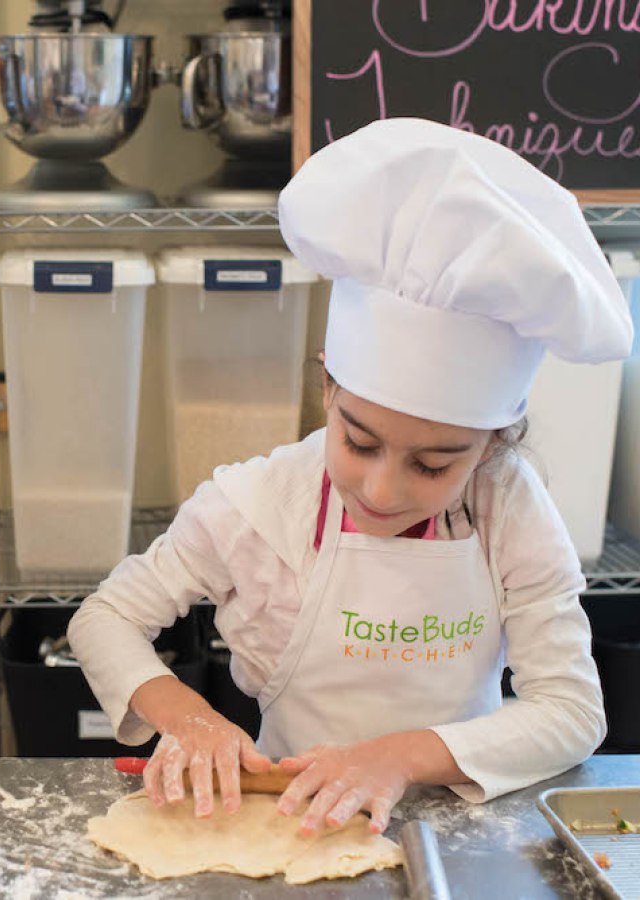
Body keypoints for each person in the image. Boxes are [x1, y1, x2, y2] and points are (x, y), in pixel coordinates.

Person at [68, 117, 633, 835]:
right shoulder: (258, 505)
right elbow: (106, 617)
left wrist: (395, 758)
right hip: (296, 820)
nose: (383, 489)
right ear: (328, 392)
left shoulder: (509, 505)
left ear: (491, 446)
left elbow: (572, 711)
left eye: (434, 463)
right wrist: (189, 719)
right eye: (359, 442)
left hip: (466, 823)